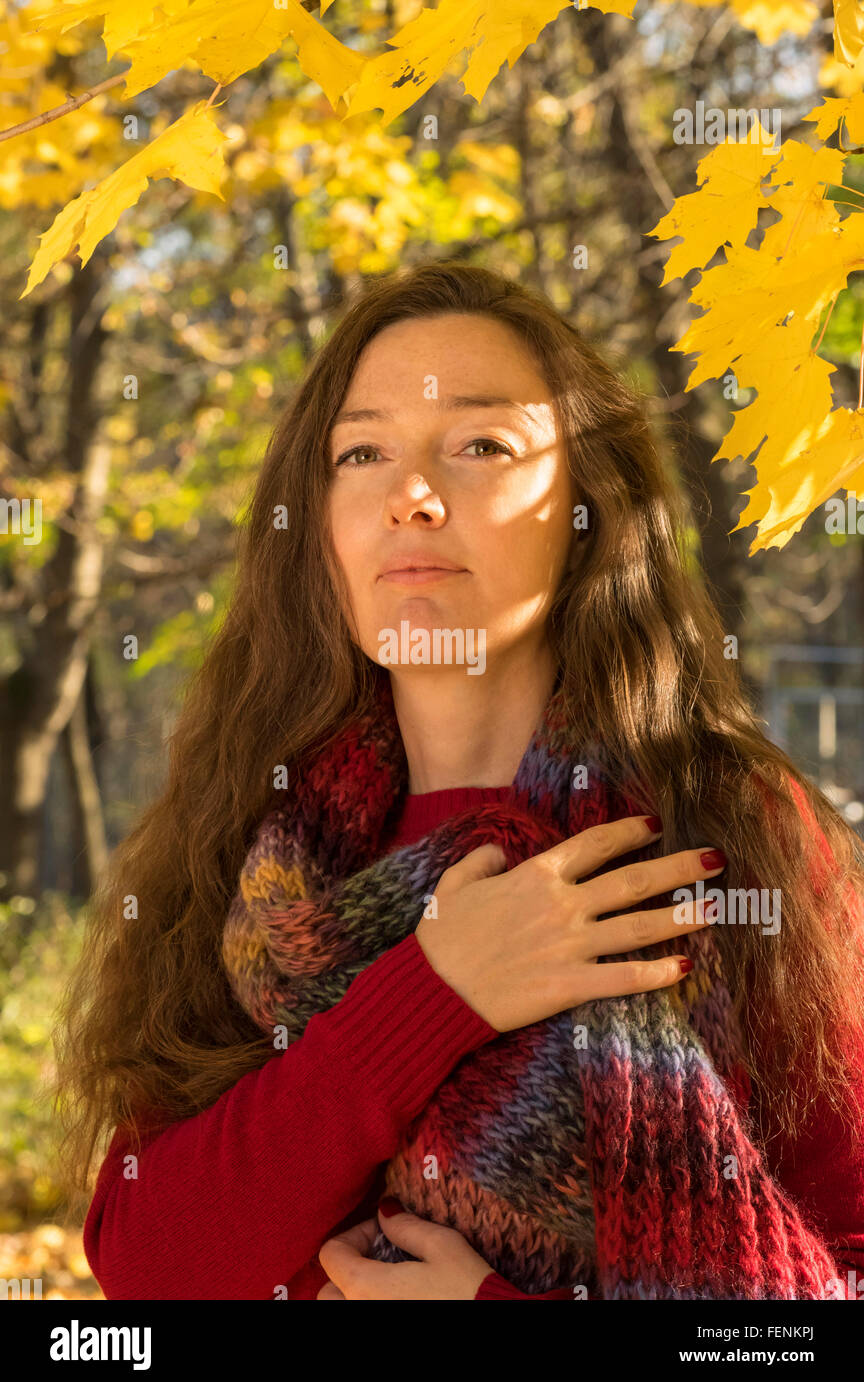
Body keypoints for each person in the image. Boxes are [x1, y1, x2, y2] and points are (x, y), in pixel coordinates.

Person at [52, 260, 864, 1300]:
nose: (412, 497)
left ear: (589, 504)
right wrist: (434, 995)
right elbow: (149, 1265)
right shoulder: (252, 839)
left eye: (483, 445)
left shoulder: (734, 832)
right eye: (363, 452)